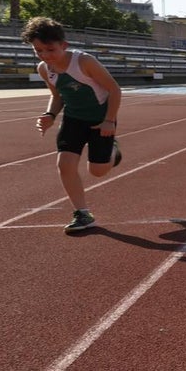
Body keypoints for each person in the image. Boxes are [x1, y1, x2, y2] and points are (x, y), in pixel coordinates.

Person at [24, 16, 123, 233]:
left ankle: (113, 151)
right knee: (65, 164)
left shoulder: (84, 62)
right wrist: (50, 114)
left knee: (97, 171)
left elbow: (114, 90)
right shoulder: (44, 68)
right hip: (73, 119)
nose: (45, 55)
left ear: (64, 45)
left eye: (50, 49)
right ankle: (82, 213)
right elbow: (57, 96)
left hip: (100, 119)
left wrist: (109, 121)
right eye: (38, 50)